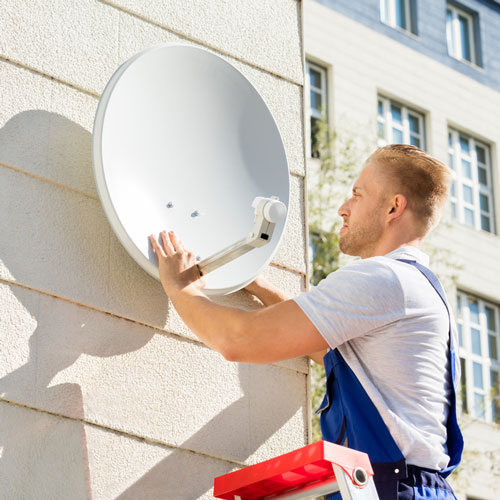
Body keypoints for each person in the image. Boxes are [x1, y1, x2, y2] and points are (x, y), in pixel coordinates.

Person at [149, 144, 463, 500]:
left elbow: (238, 340)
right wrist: (259, 285)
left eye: (357, 195)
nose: (344, 208)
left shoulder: (383, 278)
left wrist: (180, 288)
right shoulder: (415, 286)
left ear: (394, 207)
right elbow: (325, 350)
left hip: (389, 489)